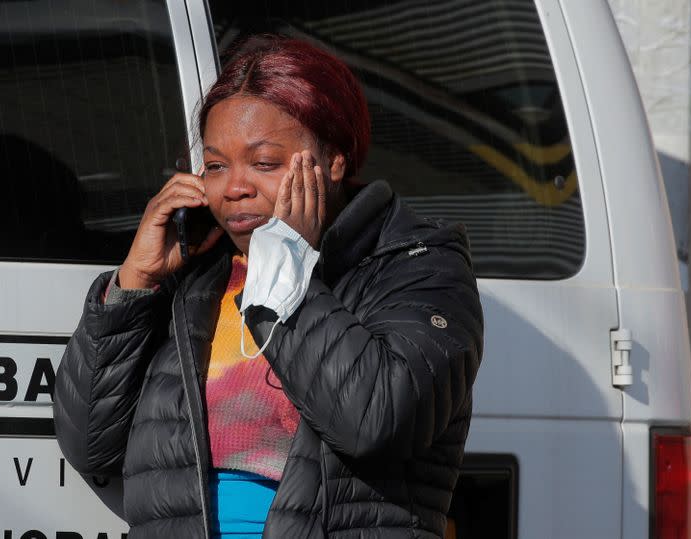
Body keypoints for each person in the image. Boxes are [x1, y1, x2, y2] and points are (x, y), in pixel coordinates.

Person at [53, 35, 483, 539]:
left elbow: (374, 420)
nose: (234, 187)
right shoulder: (194, 277)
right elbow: (89, 445)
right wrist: (135, 284)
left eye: (265, 163)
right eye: (215, 166)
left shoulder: (416, 263)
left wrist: (285, 267)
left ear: (335, 160)